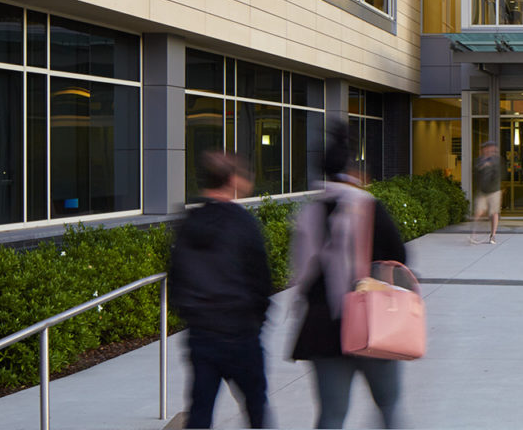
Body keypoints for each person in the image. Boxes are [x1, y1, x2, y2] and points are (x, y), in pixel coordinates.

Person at [291, 130, 408, 429]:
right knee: (388, 407)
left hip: (322, 327)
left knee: (331, 415)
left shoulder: (310, 212)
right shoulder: (369, 207)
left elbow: (301, 274)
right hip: (372, 322)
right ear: (353, 170)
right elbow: (399, 260)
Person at [168, 150, 272, 429]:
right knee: (256, 409)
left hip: (202, 335)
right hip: (240, 334)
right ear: (231, 181)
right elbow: (261, 282)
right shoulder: (243, 223)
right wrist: (256, 323)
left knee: (200, 411)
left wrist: (192, 317)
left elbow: (176, 280)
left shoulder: (188, 224)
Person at [471, 141, 502, 244]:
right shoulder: (479, 160)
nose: (487, 150)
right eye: (485, 148)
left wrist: (490, 165)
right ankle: (474, 235)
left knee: (494, 212)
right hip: (482, 191)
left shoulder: (497, 160)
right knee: (478, 212)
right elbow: (475, 173)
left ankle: (493, 235)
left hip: (494, 190)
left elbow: (500, 173)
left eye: (489, 148)